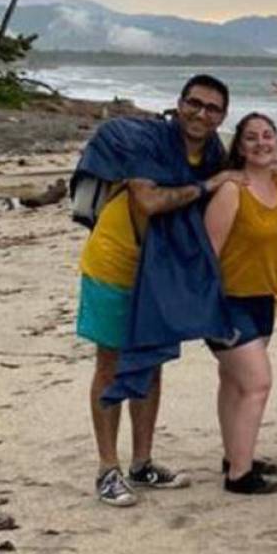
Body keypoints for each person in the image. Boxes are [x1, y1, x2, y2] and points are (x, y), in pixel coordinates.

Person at [73, 74, 239, 507]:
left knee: (152, 363)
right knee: (110, 366)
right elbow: (148, 202)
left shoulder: (213, 153)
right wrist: (206, 186)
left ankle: (142, 463)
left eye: (212, 108)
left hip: (160, 272)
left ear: (222, 117)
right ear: (179, 103)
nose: (201, 114)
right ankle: (107, 469)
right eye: (194, 103)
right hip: (115, 265)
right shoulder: (148, 142)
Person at [203, 85, 277, 495]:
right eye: (251, 137)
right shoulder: (231, 190)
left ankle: (235, 455)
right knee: (257, 383)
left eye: (268, 135)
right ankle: (240, 476)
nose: (261, 143)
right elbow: (208, 255)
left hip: (263, 300)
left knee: (233, 382)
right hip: (227, 302)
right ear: (239, 146)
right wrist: (210, 309)